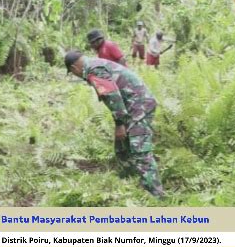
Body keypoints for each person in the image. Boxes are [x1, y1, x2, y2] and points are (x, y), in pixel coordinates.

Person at [64, 50, 164, 197]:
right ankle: (129, 185)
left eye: (73, 73)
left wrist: (119, 123)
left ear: (74, 68)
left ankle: (157, 196)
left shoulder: (93, 70)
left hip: (139, 106)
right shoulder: (94, 64)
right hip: (133, 105)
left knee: (140, 150)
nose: (76, 75)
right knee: (122, 146)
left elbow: (113, 96)